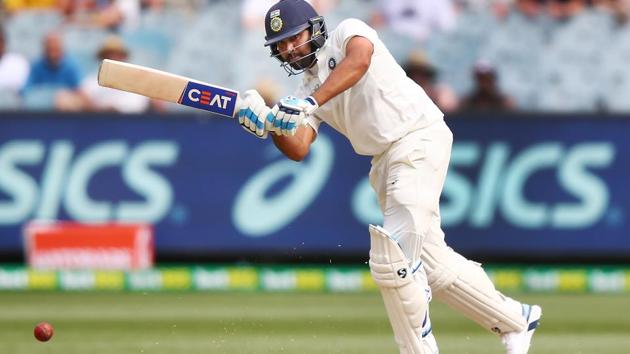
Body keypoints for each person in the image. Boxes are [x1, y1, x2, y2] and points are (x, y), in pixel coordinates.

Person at [237, 1, 542, 353]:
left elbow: (359, 61)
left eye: (295, 38)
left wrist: (310, 103)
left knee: (392, 258)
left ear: (314, 28)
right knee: (432, 265)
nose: (290, 49)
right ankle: (517, 320)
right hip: (384, 162)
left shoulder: (347, 33)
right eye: (282, 45)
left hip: (417, 137)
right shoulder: (307, 89)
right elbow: (299, 146)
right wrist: (269, 126)